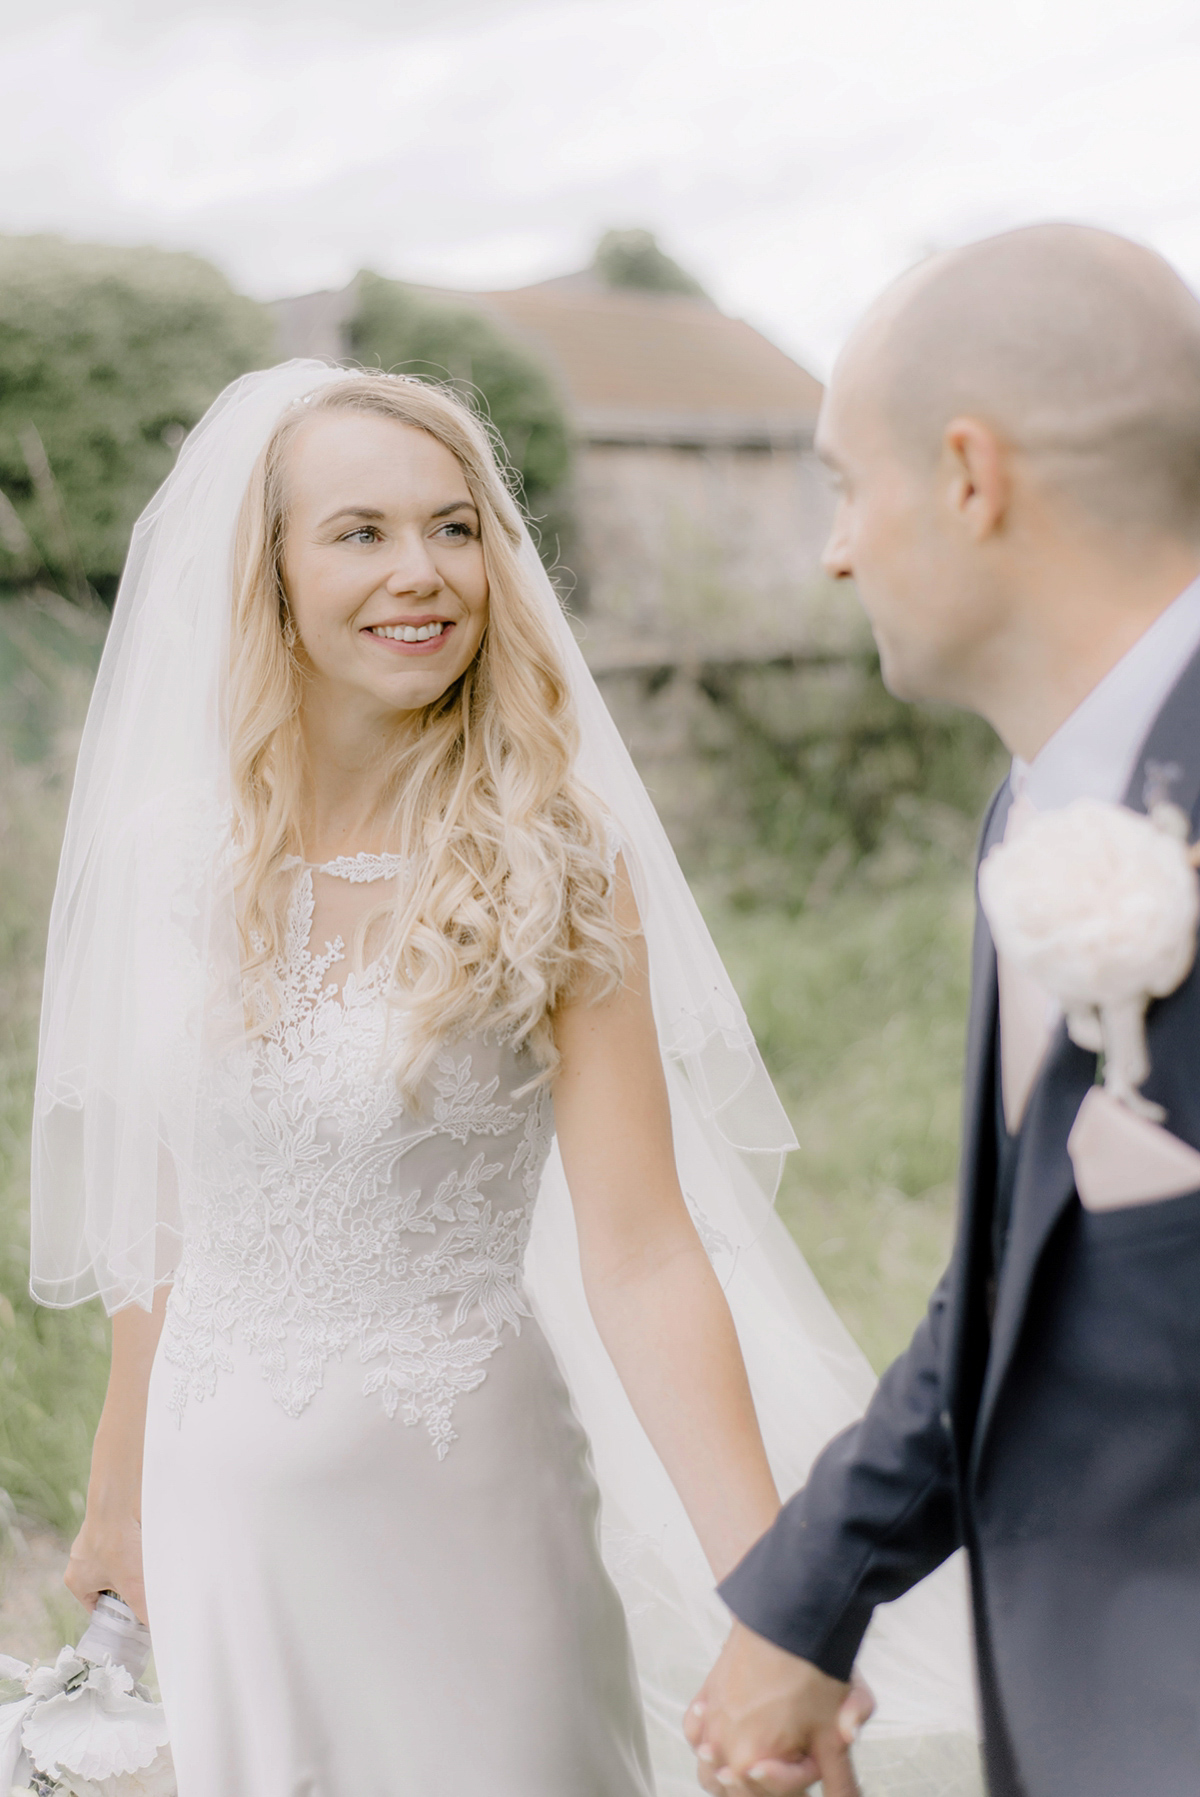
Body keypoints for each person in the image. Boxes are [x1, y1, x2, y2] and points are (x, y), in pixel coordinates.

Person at [32, 366, 975, 1797]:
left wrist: (772, 1595)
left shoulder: (550, 856)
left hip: (463, 1500)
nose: (422, 573)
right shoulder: (170, 860)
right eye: (359, 533)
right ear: (266, 572)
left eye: (456, 528)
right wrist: (118, 1496)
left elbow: (647, 1253)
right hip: (222, 1504)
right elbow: (163, 1221)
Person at [687, 223, 1200, 1797]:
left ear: (971, 476)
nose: (834, 551)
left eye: (846, 485)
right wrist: (806, 1600)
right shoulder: (1037, 812)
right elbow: (1019, 1287)